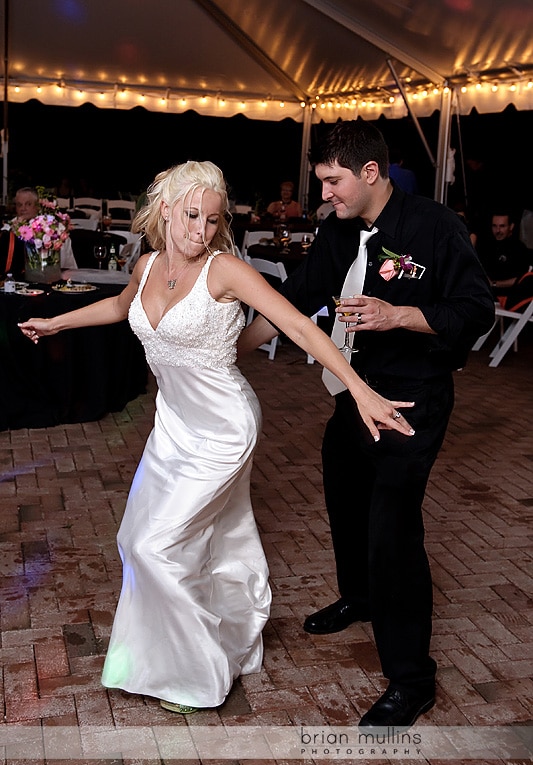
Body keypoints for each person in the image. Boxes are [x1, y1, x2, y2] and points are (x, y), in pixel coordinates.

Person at [19, 160, 415, 715]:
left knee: (157, 545)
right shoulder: (149, 263)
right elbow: (118, 305)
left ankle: (198, 670)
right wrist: (56, 322)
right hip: (172, 426)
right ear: (165, 210)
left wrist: (360, 390)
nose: (200, 230)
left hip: (224, 427)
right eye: (190, 216)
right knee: (142, 539)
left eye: (211, 219)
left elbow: (299, 323)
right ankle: (157, 658)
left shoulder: (224, 270)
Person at [238, 121, 495, 729]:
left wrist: (401, 314)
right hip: (352, 396)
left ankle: (411, 680)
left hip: (410, 403)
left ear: (370, 174)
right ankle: (358, 595)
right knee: (344, 499)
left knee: (392, 531)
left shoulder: (434, 227)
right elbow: (297, 299)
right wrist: (231, 350)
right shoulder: (336, 230)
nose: (324, 193)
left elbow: (476, 310)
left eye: (332, 182)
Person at [5, 187, 78, 271]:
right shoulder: (8, 229)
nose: (23, 208)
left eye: (28, 204)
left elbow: (68, 266)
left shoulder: (51, 228)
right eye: (19, 205)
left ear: (37, 206)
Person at [475, 211, 531, 299]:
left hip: (508, 299)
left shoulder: (519, 249)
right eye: (494, 226)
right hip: (485, 297)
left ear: (511, 226)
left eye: (502, 226)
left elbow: (522, 279)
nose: (498, 230)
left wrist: (494, 284)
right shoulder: (485, 246)